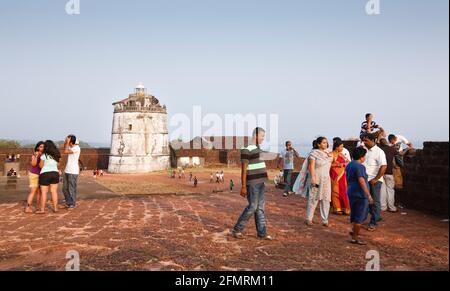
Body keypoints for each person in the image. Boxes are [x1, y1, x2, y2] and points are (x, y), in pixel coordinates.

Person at [232, 127, 273, 240]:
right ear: (255, 135)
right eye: (262, 136)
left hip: (261, 182)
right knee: (253, 207)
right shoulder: (246, 148)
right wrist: (243, 186)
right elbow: (244, 169)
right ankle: (237, 229)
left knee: (260, 208)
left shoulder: (257, 148)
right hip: (252, 183)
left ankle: (262, 233)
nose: (263, 138)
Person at [346, 147, 374, 245]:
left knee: (355, 213)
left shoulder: (349, 165)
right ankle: (355, 238)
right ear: (362, 157)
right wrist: (368, 195)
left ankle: (354, 232)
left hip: (351, 191)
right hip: (360, 193)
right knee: (360, 216)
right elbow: (362, 181)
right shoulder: (360, 167)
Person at [304, 137, 333, 227]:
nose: (326, 144)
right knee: (313, 198)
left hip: (326, 179)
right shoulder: (314, 153)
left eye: (326, 142)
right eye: (324, 142)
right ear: (318, 144)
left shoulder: (329, 152)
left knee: (326, 199)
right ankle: (309, 218)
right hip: (316, 177)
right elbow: (311, 167)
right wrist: (313, 178)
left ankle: (325, 220)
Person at [362, 133, 387, 231]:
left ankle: (373, 222)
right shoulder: (364, 151)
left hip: (374, 181)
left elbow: (384, 166)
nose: (364, 142)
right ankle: (375, 216)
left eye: (366, 140)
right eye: (363, 140)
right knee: (366, 200)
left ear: (373, 140)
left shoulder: (379, 152)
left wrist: (376, 179)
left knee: (375, 201)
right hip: (365, 180)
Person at [36, 140, 61, 214]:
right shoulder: (56, 155)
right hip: (55, 173)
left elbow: (40, 166)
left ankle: (42, 210)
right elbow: (58, 165)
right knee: (54, 192)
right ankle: (55, 208)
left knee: (44, 193)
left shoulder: (44, 156)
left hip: (45, 174)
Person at [330, 139, 350, 215]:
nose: (342, 148)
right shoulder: (331, 154)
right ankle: (337, 208)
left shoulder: (341, 154)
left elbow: (348, 162)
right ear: (336, 147)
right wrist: (338, 165)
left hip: (342, 175)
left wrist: (343, 164)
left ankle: (345, 208)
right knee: (335, 191)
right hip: (334, 175)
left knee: (344, 191)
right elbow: (327, 164)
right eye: (341, 147)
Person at [61, 135, 81, 210]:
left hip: (73, 171)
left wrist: (68, 142)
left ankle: (72, 204)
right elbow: (63, 148)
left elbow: (66, 151)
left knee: (71, 188)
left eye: (68, 139)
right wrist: (66, 141)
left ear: (71, 141)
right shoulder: (71, 147)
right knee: (64, 188)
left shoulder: (76, 148)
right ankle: (68, 202)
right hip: (67, 170)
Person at [379, 138, 399, 212]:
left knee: (382, 190)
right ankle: (391, 207)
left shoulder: (379, 150)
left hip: (381, 172)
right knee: (390, 190)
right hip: (389, 172)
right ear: (386, 142)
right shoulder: (391, 149)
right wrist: (407, 149)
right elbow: (400, 154)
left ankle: (383, 207)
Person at [25, 141, 44, 213]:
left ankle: (39, 207)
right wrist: (36, 156)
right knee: (33, 192)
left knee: (40, 192)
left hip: (41, 175)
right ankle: (27, 207)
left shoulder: (44, 155)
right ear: (38, 147)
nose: (42, 148)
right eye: (41, 146)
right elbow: (33, 164)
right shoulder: (35, 154)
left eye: (43, 147)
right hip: (34, 175)